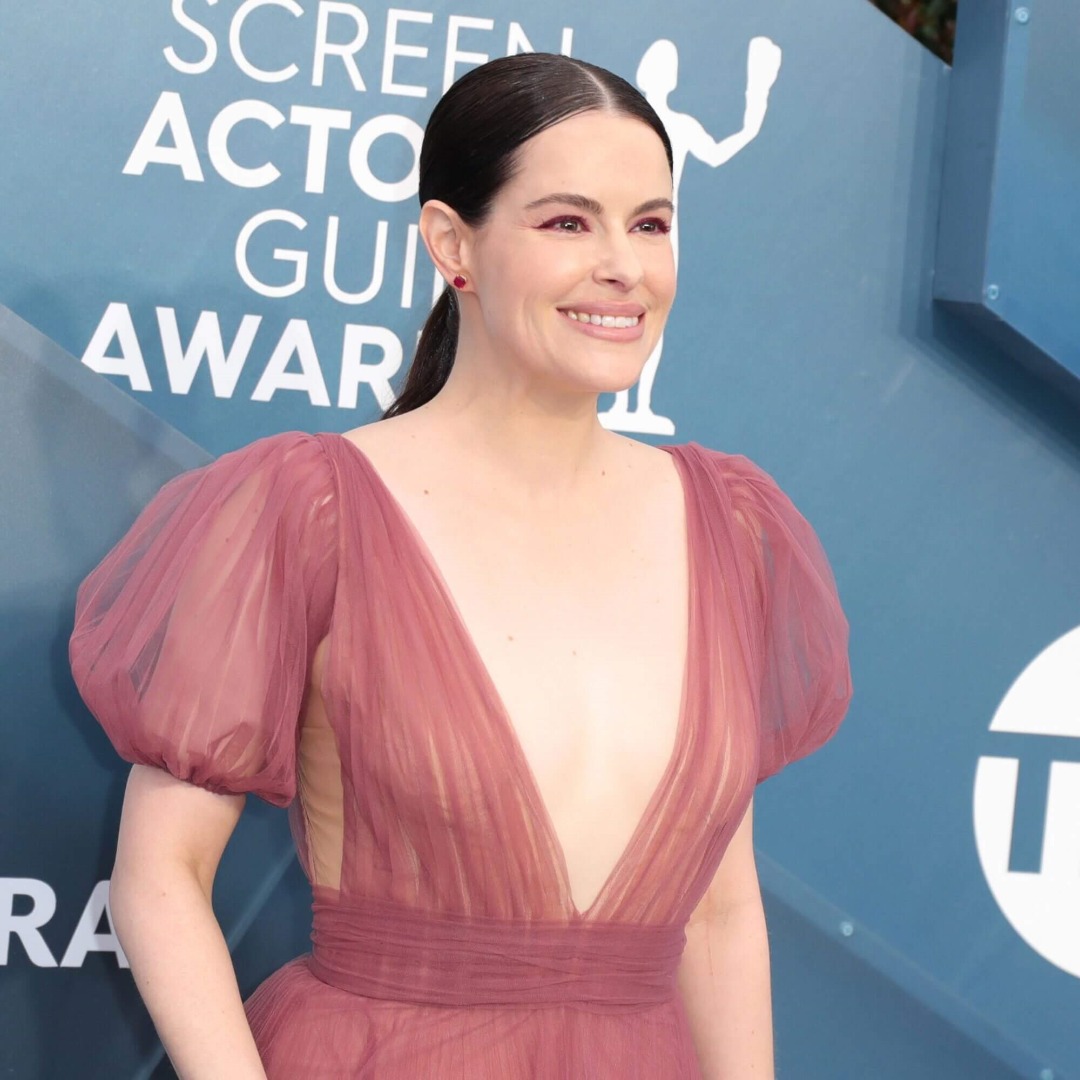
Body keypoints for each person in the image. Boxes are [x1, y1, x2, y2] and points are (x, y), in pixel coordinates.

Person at [70, 52, 851, 1079]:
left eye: (651, 224)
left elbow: (719, 910)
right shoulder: (307, 510)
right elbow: (162, 875)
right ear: (452, 243)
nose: (624, 266)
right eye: (568, 222)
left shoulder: (732, 527)